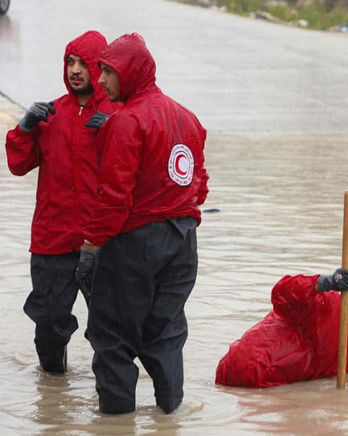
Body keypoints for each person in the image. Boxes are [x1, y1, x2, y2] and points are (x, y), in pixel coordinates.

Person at [75, 33, 209, 414]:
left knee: (112, 336)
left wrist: (90, 247)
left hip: (135, 242)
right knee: (166, 334)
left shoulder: (127, 121)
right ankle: (169, 419)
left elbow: (114, 197)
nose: (100, 81)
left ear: (130, 72)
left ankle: (115, 427)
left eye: (108, 72)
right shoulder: (188, 118)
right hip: (183, 243)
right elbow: (200, 185)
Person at [4, 30, 117, 374]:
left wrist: (115, 128)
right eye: (70, 61)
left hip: (103, 243)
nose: (75, 69)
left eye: (85, 63)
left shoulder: (120, 114)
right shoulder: (49, 114)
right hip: (52, 241)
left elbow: (140, 174)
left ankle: (112, 400)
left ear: (101, 68)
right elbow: (18, 166)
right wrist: (24, 128)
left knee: (111, 328)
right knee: (49, 325)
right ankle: (53, 400)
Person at [215, 268, 348, 388]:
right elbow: (280, 294)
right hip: (242, 373)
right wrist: (323, 283)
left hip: (264, 388)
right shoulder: (330, 304)